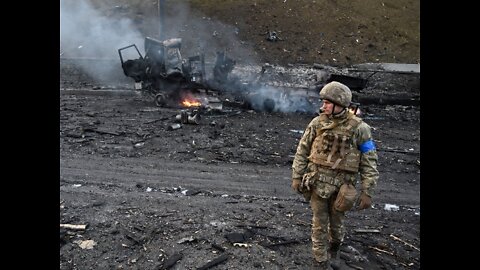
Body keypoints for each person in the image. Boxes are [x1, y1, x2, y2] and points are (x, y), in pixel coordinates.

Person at [291, 81, 379, 269]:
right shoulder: (317, 123)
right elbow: (302, 149)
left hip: (342, 187)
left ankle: (335, 248)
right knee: (318, 224)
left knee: (337, 227)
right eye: (323, 102)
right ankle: (320, 260)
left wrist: (367, 191)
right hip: (317, 182)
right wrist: (297, 175)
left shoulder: (360, 128)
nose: (323, 106)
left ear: (340, 104)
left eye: (328, 103)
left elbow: (369, 161)